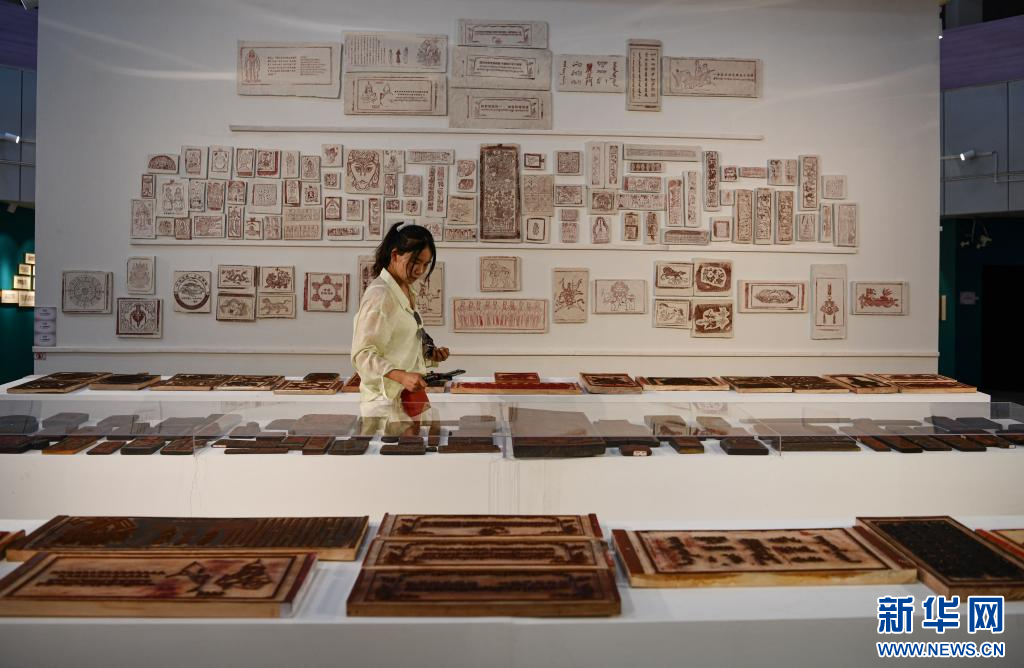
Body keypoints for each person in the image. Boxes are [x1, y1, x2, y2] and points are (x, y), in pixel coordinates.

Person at [351, 222, 450, 418]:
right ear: (395, 255)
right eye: (415, 262)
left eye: (426, 264)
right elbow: (362, 354)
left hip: (408, 398)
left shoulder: (406, 290)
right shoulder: (380, 295)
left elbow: (400, 343)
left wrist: (429, 353)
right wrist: (401, 376)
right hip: (385, 402)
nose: (420, 270)